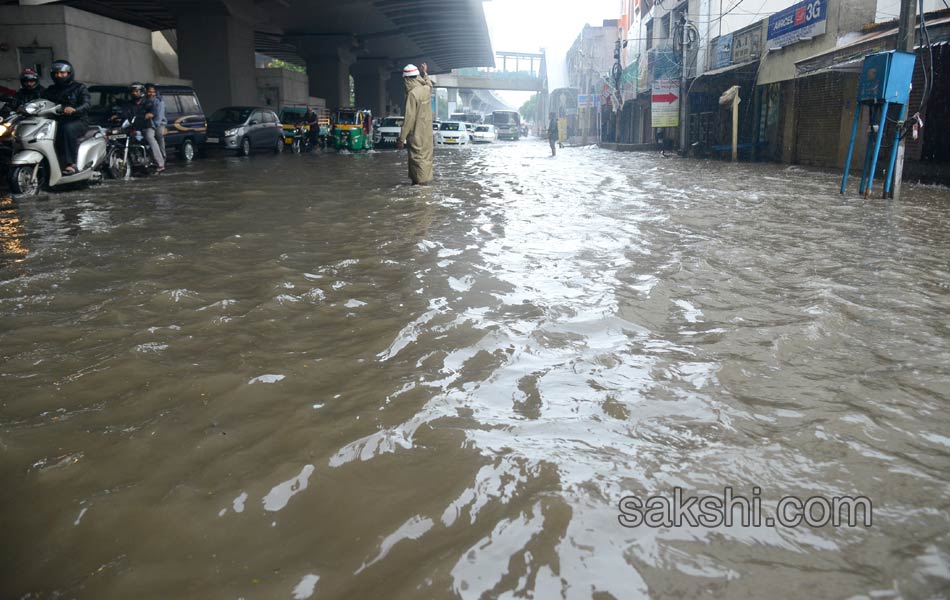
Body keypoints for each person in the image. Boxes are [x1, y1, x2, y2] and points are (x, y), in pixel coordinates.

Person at [42, 59, 90, 175]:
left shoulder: (79, 87)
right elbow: (42, 102)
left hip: (77, 120)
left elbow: (87, 104)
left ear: (69, 73)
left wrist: (74, 109)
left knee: (66, 128)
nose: (59, 75)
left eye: (62, 73)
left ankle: (71, 164)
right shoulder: (50, 90)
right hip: (55, 121)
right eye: (56, 73)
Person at [395, 63, 433, 185]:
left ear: (407, 79)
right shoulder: (426, 90)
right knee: (425, 160)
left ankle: (418, 189)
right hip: (427, 135)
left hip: (416, 135)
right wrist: (425, 73)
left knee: (416, 160)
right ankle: (424, 187)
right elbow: (429, 83)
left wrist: (401, 139)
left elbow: (409, 119)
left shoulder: (412, 94)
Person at [119, 82, 165, 173]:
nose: (134, 93)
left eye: (136, 91)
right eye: (133, 91)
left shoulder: (148, 102)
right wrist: (117, 116)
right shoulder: (129, 104)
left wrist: (148, 115)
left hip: (145, 126)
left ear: (141, 92)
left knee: (149, 137)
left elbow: (152, 112)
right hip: (133, 126)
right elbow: (124, 113)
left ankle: (160, 163)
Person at [145, 83, 166, 160]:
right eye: (149, 91)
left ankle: (162, 158)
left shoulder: (159, 101)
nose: (151, 94)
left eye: (153, 92)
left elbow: (159, 117)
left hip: (158, 124)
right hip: (148, 124)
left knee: (159, 137)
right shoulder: (144, 101)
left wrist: (153, 126)